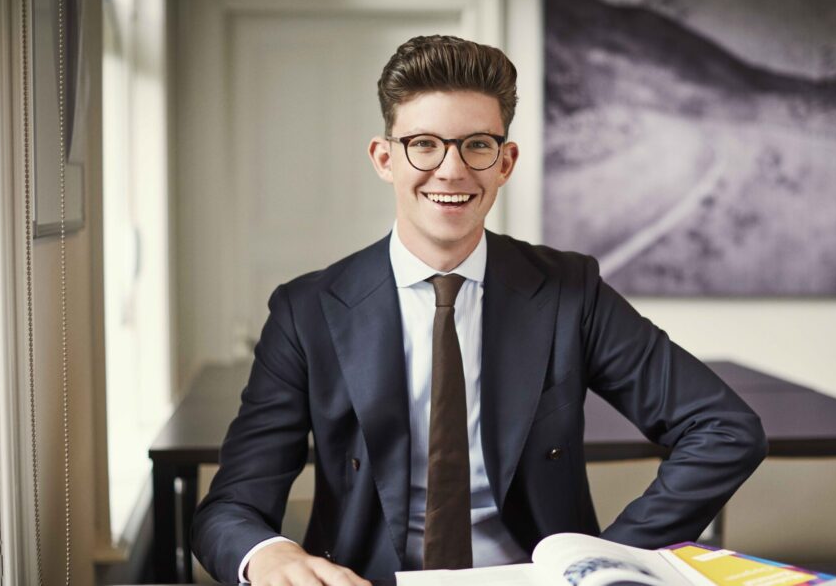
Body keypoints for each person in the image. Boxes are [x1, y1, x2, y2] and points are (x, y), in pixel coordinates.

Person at [191, 35, 767, 586]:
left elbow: (724, 428)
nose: (451, 169)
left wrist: (605, 562)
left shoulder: (571, 291)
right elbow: (229, 508)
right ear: (384, 158)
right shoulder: (307, 310)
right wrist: (268, 554)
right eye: (424, 144)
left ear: (505, 162)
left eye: (477, 144)